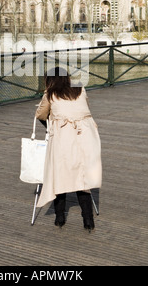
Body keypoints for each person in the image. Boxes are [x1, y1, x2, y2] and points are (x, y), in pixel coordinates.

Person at [35, 67, 102, 231]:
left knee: (60, 175)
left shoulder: (50, 94)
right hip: (86, 136)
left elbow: (40, 115)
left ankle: (59, 218)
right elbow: (84, 108)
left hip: (64, 137)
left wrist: (52, 124)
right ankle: (88, 220)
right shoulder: (80, 88)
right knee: (82, 178)